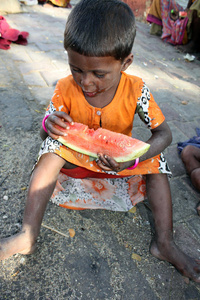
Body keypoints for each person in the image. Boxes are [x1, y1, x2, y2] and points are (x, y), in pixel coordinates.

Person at [0, 0, 200, 283]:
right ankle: (28, 234)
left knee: (158, 160)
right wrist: (50, 124)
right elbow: (45, 131)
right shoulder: (64, 88)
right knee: (51, 147)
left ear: (125, 62)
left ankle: (164, 242)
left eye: (99, 73)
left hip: (120, 164)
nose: (86, 82)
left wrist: (134, 159)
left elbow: (164, 134)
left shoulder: (137, 89)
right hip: (77, 162)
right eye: (76, 69)